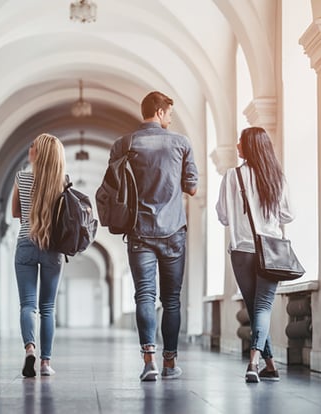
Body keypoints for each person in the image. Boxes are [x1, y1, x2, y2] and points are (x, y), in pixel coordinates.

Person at [108, 91, 198, 381]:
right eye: (169, 113)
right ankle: (170, 363)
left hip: (139, 231)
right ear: (159, 112)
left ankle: (149, 361)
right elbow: (192, 187)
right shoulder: (181, 143)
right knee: (171, 300)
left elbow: (113, 186)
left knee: (144, 296)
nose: (171, 118)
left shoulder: (124, 144)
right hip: (173, 232)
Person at [216, 126, 294, 383]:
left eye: (240, 141)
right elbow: (288, 215)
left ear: (250, 146)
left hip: (242, 251)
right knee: (260, 308)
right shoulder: (277, 177)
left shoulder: (232, 176)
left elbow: (224, 217)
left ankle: (256, 363)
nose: (237, 145)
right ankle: (266, 363)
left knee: (255, 308)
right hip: (271, 250)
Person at [11, 133, 66, 377]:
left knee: (28, 305)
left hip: (25, 243)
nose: (29, 148)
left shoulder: (21, 177)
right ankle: (45, 363)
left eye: (32, 146)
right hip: (52, 248)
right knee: (47, 308)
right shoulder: (62, 182)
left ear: (38, 154)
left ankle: (29, 349)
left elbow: (16, 213)